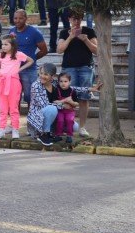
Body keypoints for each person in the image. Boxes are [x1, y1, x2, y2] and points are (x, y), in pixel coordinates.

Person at [27, 63, 100, 146]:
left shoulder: (55, 84)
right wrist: (63, 105)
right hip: (38, 119)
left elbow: (72, 88)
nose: (42, 76)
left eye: (45, 74)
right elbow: (44, 105)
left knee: (74, 127)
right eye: (41, 73)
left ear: (52, 76)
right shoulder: (36, 85)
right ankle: (43, 135)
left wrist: (90, 89)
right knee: (52, 109)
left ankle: (52, 132)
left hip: (52, 117)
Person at [56, 9, 98, 137]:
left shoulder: (89, 31)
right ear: (69, 19)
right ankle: (69, 124)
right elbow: (59, 50)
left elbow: (96, 50)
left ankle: (82, 127)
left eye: (78, 18)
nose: (76, 21)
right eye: (73, 19)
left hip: (86, 67)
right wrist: (70, 37)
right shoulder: (64, 32)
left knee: (84, 98)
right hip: (69, 69)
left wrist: (85, 40)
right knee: (68, 97)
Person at [0, 35, 33, 140]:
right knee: (2, 108)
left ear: (12, 45)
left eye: (6, 44)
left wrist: (19, 69)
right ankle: (2, 129)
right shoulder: (0, 56)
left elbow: (31, 61)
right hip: (2, 83)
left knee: (13, 108)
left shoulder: (18, 55)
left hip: (14, 83)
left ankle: (15, 129)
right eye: (2, 44)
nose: (3, 46)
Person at [8, 9, 47, 104]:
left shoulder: (34, 32)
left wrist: (32, 59)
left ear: (26, 18)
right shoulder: (12, 31)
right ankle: (15, 118)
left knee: (30, 96)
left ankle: (31, 118)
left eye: (20, 18)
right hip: (14, 69)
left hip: (29, 70)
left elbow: (44, 50)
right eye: (15, 18)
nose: (17, 20)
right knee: (15, 96)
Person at [54, 72, 80, 144]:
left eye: (65, 81)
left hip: (70, 111)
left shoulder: (72, 91)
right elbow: (54, 101)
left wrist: (71, 102)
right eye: (61, 81)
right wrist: (64, 101)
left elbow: (76, 103)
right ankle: (58, 134)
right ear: (58, 82)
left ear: (69, 82)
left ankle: (69, 135)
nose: (63, 83)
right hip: (60, 111)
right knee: (60, 120)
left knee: (69, 120)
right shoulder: (56, 90)